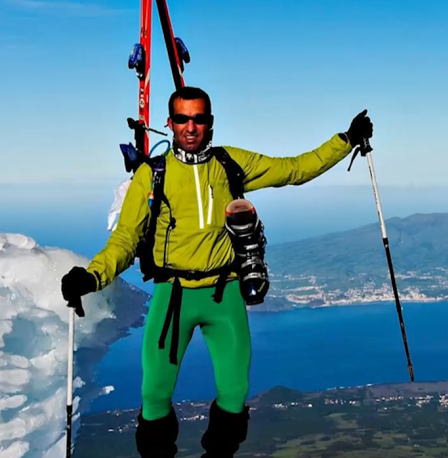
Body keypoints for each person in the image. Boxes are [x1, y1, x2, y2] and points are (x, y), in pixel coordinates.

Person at [60, 85, 373, 457]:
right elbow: (126, 239)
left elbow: (294, 169)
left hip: (224, 292)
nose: (190, 126)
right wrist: (92, 276)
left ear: (210, 123)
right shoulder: (153, 174)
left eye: (198, 119)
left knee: (234, 393)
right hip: (174, 294)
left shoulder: (230, 164)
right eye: (182, 118)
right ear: (170, 123)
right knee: (154, 394)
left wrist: (345, 140)